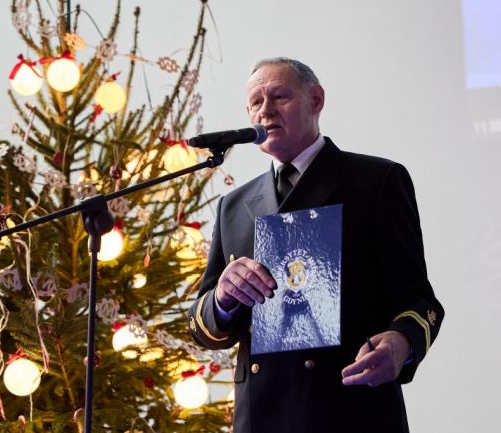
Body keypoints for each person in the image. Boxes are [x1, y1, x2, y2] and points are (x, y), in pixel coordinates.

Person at [187, 57, 444, 433]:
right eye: (256, 102)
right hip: (260, 416)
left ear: (316, 100)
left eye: (280, 96)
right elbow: (203, 328)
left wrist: (401, 342)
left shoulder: (377, 181)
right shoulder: (234, 206)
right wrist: (222, 299)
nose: (266, 111)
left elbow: (420, 301)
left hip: (350, 410)